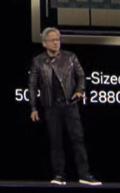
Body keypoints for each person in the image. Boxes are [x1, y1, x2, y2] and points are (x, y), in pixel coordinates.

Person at [28, 27, 101, 186]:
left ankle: (84, 174)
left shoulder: (70, 57)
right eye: (52, 40)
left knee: (77, 139)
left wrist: (79, 91)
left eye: (58, 39)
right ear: (44, 43)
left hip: (70, 105)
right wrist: (33, 108)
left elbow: (81, 76)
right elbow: (32, 85)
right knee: (56, 141)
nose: (56, 42)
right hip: (51, 106)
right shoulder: (38, 61)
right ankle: (59, 175)